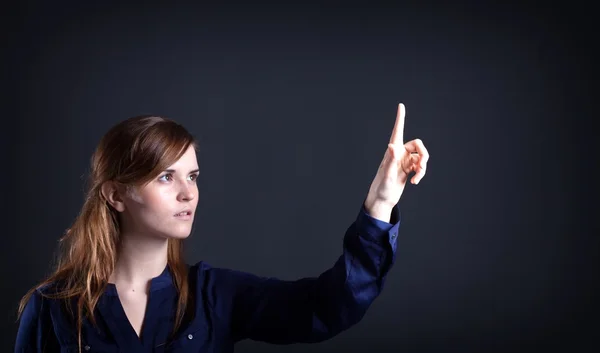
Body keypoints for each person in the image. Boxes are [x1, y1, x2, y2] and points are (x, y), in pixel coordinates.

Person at [14, 103, 429, 353]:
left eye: (192, 177)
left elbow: (326, 308)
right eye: (165, 177)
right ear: (115, 195)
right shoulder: (53, 309)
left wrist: (380, 202)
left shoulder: (213, 296)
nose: (187, 194)